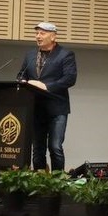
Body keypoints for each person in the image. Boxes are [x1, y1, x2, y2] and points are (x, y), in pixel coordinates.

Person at [17, 22, 78, 171]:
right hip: (35, 108)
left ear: (53, 36)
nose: (38, 36)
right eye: (36, 33)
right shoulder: (30, 55)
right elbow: (21, 74)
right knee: (37, 149)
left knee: (55, 146)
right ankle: (39, 183)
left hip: (56, 109)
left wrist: (47, 86)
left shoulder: (65, 54)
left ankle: (58, 183)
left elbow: (70, 78)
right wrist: (22, 81)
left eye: (42, 33)